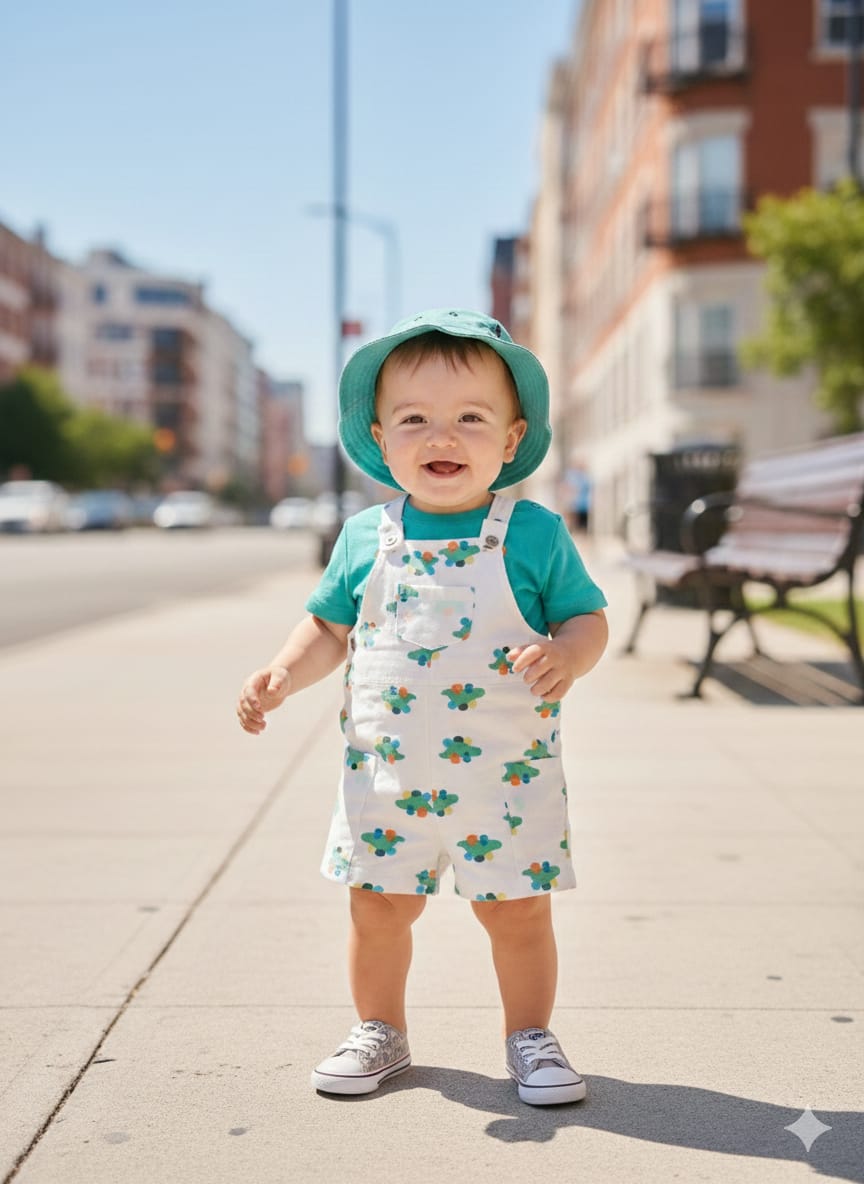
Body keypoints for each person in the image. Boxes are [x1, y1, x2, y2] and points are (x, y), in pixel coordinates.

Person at [236, 308, 608, 1105]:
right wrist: (281, 671)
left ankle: (529, 1036)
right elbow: (329, 627)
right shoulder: (367, 535)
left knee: (516, 916)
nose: (443, 437)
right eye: (416, 420)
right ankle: (381, 1031)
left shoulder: (532, 533)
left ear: (511, 439)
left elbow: (586, 617)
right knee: (377, 911)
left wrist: (570, 653)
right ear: (380, 437)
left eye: (470, 418)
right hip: (387, 775)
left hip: (505, 778)